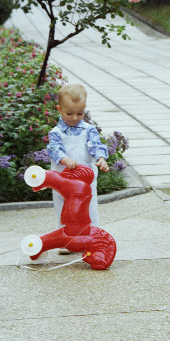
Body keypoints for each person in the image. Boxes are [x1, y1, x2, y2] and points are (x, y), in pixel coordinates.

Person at [46, 83, 109, 241]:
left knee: (89, 206)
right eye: (69, 113)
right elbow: (54, 149)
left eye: (80, 113)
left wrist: (101, 158)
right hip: (62, 179)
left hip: (86, 180)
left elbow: (96, 145)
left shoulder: (89, 130)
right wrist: (64, 159)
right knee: (63, 208)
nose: (75, 118)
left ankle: (93, 237)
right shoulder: (56, 133)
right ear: (59, 109)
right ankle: (66, 238)